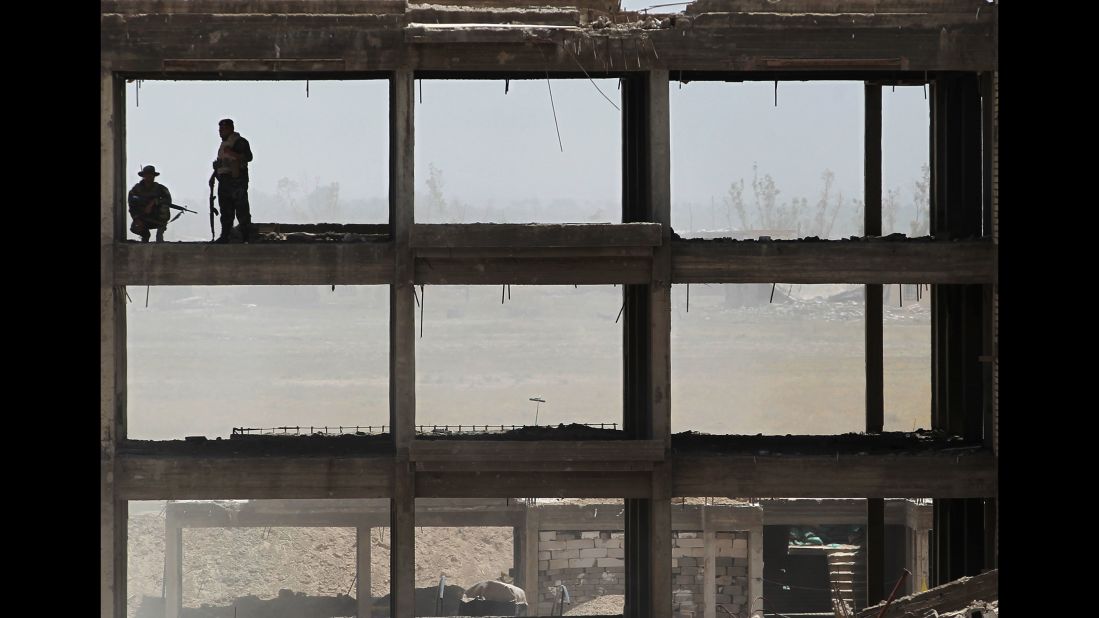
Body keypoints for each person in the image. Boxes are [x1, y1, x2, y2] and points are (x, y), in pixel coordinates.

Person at [209, 118, 254, 243]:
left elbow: (248, 157)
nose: (220, 132)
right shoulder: (224, 144)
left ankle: (246, 236)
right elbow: (221, 163)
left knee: (241, 210)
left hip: (236, 180)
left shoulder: (239, 142)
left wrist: (233, 153)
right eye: (220, 130)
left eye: (223, 129)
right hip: (224, 181)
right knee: (226, 211)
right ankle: (225, 236)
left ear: (231, 129)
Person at [128, 165, 172, 243]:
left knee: (164, 207)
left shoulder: (160, 188)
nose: (149, 176)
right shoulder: (136, 189)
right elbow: (132, 206)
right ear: (143, 176)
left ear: (154, 176)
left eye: (151, 174)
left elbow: (168, 200)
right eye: (147, 174)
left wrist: (154, 202)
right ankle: (145, 236)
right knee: (135, 228)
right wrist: (137, 218)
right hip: (143, 217)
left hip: (157, 217)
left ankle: (160, 233)